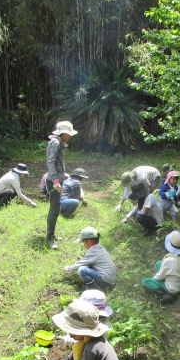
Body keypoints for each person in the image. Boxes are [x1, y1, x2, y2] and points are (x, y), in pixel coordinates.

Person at [46, 121, 78, 249]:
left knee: (55, 208)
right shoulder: (56, 143)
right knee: (54, 209)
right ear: (63, 133)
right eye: (69, 134)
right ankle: (50, 237)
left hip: (58, 179)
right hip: (54, 182)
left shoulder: (57, 142)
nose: (70, 136)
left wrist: (63, 175)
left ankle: (52, 233)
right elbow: (51, 162)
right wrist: (55, 181)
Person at [142, 230, 180, 304]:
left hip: (172, 289)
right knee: (159, 263)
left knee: (145, 281)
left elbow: (158, 277)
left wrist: (154, 281)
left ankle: (165, 295)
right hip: (178, 284)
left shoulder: (169, 260)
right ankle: (165, 286)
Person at [64, 227, 116, 291]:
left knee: (82, 270)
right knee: (88, 266)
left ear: (89, 241)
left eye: (83, 242)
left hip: (105, 280)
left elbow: (81, 264)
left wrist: (69, 268)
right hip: (110, 280)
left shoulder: (94, 251)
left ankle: (97, 290)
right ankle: (92, 287)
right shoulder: (99, 248)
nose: (83, 245)